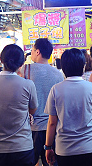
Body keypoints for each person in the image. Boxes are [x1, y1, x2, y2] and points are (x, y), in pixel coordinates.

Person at [0, 44, 37, 166]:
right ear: (21, 64)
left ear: (1, 61)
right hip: (22, 145)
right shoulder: (28, 84)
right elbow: (33, 109)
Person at [44, 48, 92, 166]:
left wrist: (48, 147)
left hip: (65, 149)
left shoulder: (56, 89)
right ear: (83, 66)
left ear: (63, 67)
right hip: (90, 145)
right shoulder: (91, 88)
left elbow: (52, 123)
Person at [23, 38, 64, 166]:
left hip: (32, 126)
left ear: (38, 52)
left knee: (30, 161)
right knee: (50, 162)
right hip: (52, 127)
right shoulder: (58, 74)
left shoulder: (26, 69)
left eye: (33, 50)